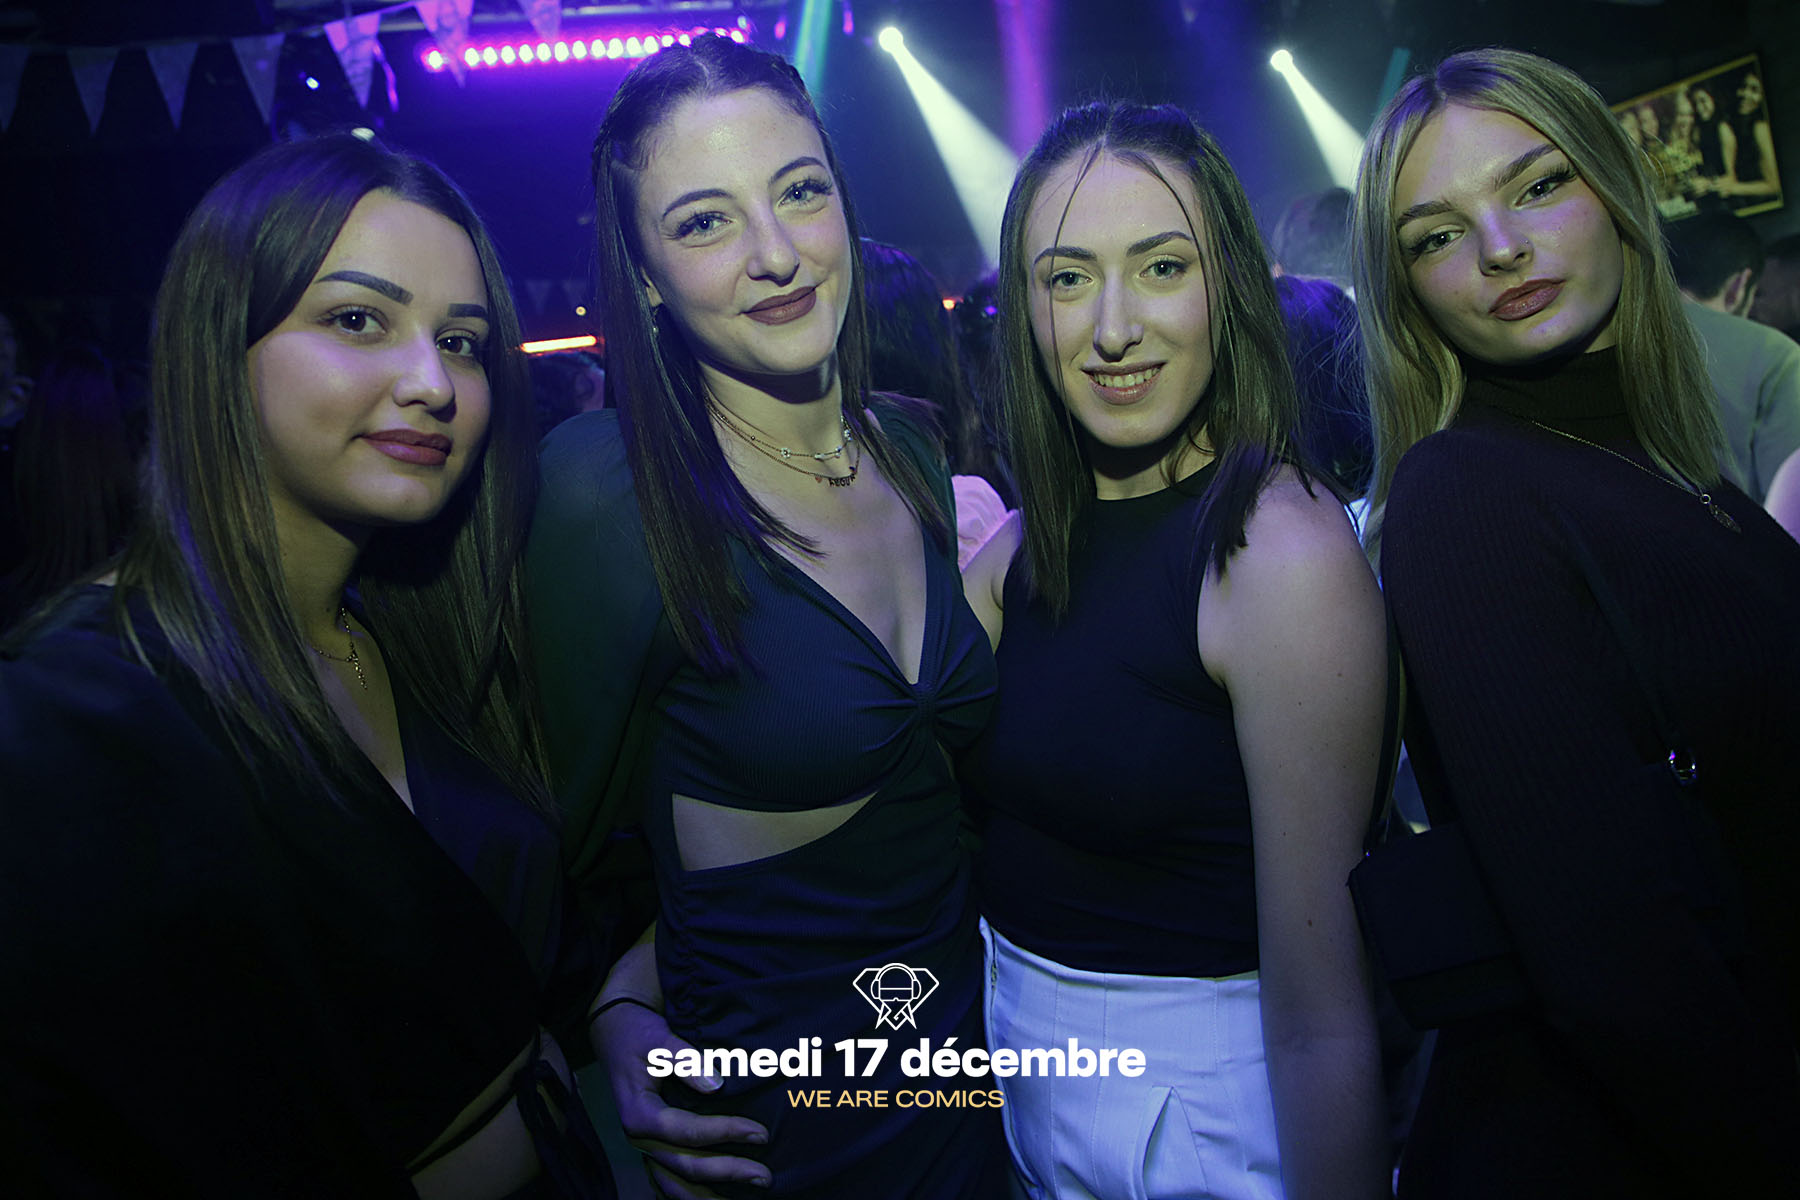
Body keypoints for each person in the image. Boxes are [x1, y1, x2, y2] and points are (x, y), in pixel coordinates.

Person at [0, 134, 612, 1198]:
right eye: (358, 320)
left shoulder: (422, 635)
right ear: (219, 345)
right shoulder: (75, 713)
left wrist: (626, 1012)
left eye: (461, 342)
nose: (432, 383)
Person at [527, 35, 1006, 1200]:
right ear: (644, 274)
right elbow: (540, 847)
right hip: (785, 1152)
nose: (777, 254)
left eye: (800, 192)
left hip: (984, 1104)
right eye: (705, 222)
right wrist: (611, 1012)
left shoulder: (912, 452)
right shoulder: (607, 492)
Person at [1351, 47, 1800, 1196]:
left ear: (1617, 186)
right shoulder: (1465, 495)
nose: (1501, 248)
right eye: (1437, 236)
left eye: (1540, 185)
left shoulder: (1673, 467)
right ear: (1407, 291)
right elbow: (1616, 958)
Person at [958, 100, 1389, 1200]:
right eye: (1067, 278)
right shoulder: (1019, 549)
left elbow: (1322, 1015)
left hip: (1204, 1124)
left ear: (1227, 287)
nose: (1113, 328)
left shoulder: (1277, 553)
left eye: (1160, 267)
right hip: (1029, 1086)